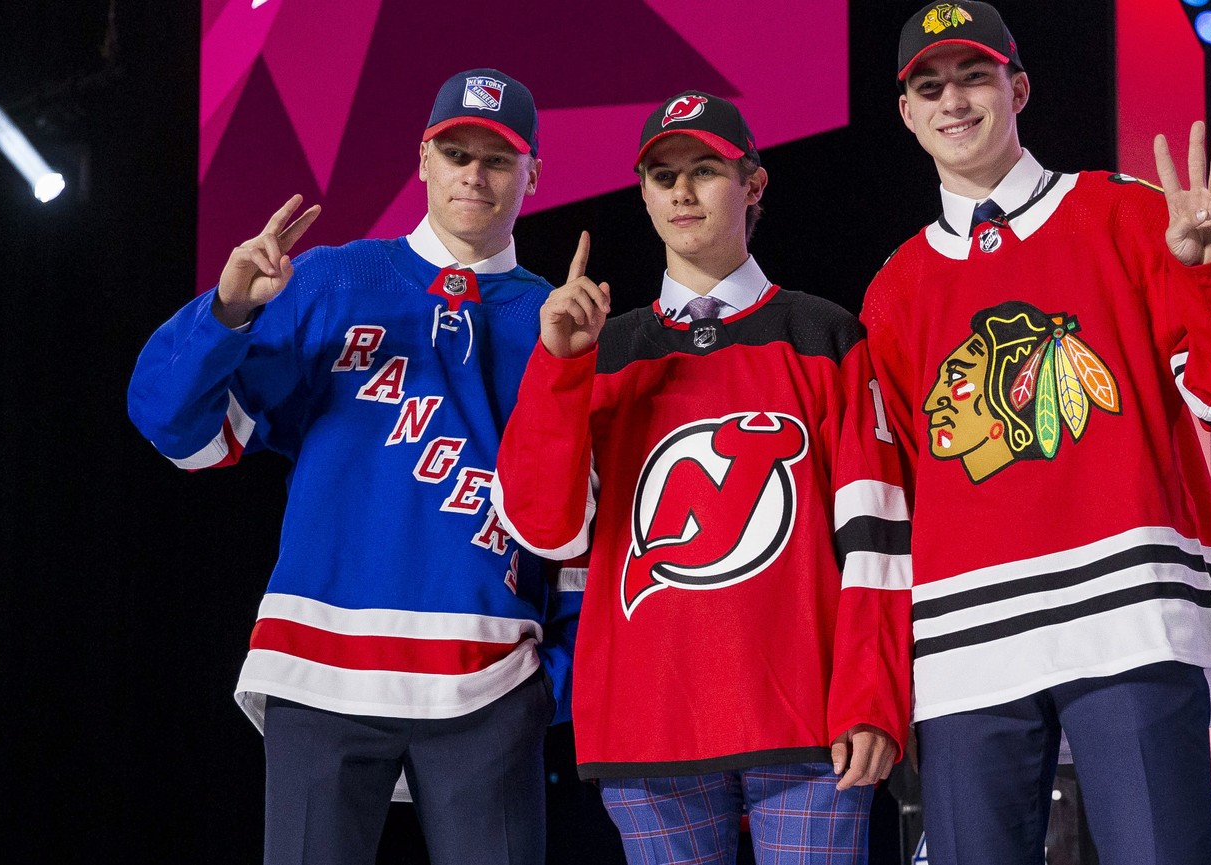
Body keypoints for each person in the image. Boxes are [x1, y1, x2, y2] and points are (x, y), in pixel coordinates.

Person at [861, 3, 1211, 864]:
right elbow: (896, 494)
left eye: (974, 77)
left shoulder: (1130, 213)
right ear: (909, 115)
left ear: (1017, 88)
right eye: (929, 86)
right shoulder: (895, 289)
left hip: (1126, 616)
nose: (953, 100)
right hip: (966, 642)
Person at [127, 68, 577, 865]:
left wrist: (556, 682)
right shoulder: (333, 280)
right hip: (319, 667)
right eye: (455, 152)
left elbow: (583, 527)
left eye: (498, 159)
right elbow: (176, 427)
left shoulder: (560, 322)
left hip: (492, 675)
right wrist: (228, 309)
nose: (474, 174)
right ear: (422, 161)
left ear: (533, 174)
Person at [489, 91, 911, 865]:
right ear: (644, 194)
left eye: (705, 169)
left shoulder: (823, 334)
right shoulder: (600, 351)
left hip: (810, 723)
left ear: (753, 184)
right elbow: (542, 525)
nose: (681, 191)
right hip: (647, 719)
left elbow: (878, 541)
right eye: (662, 174)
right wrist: (558, 369)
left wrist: (873, 697)